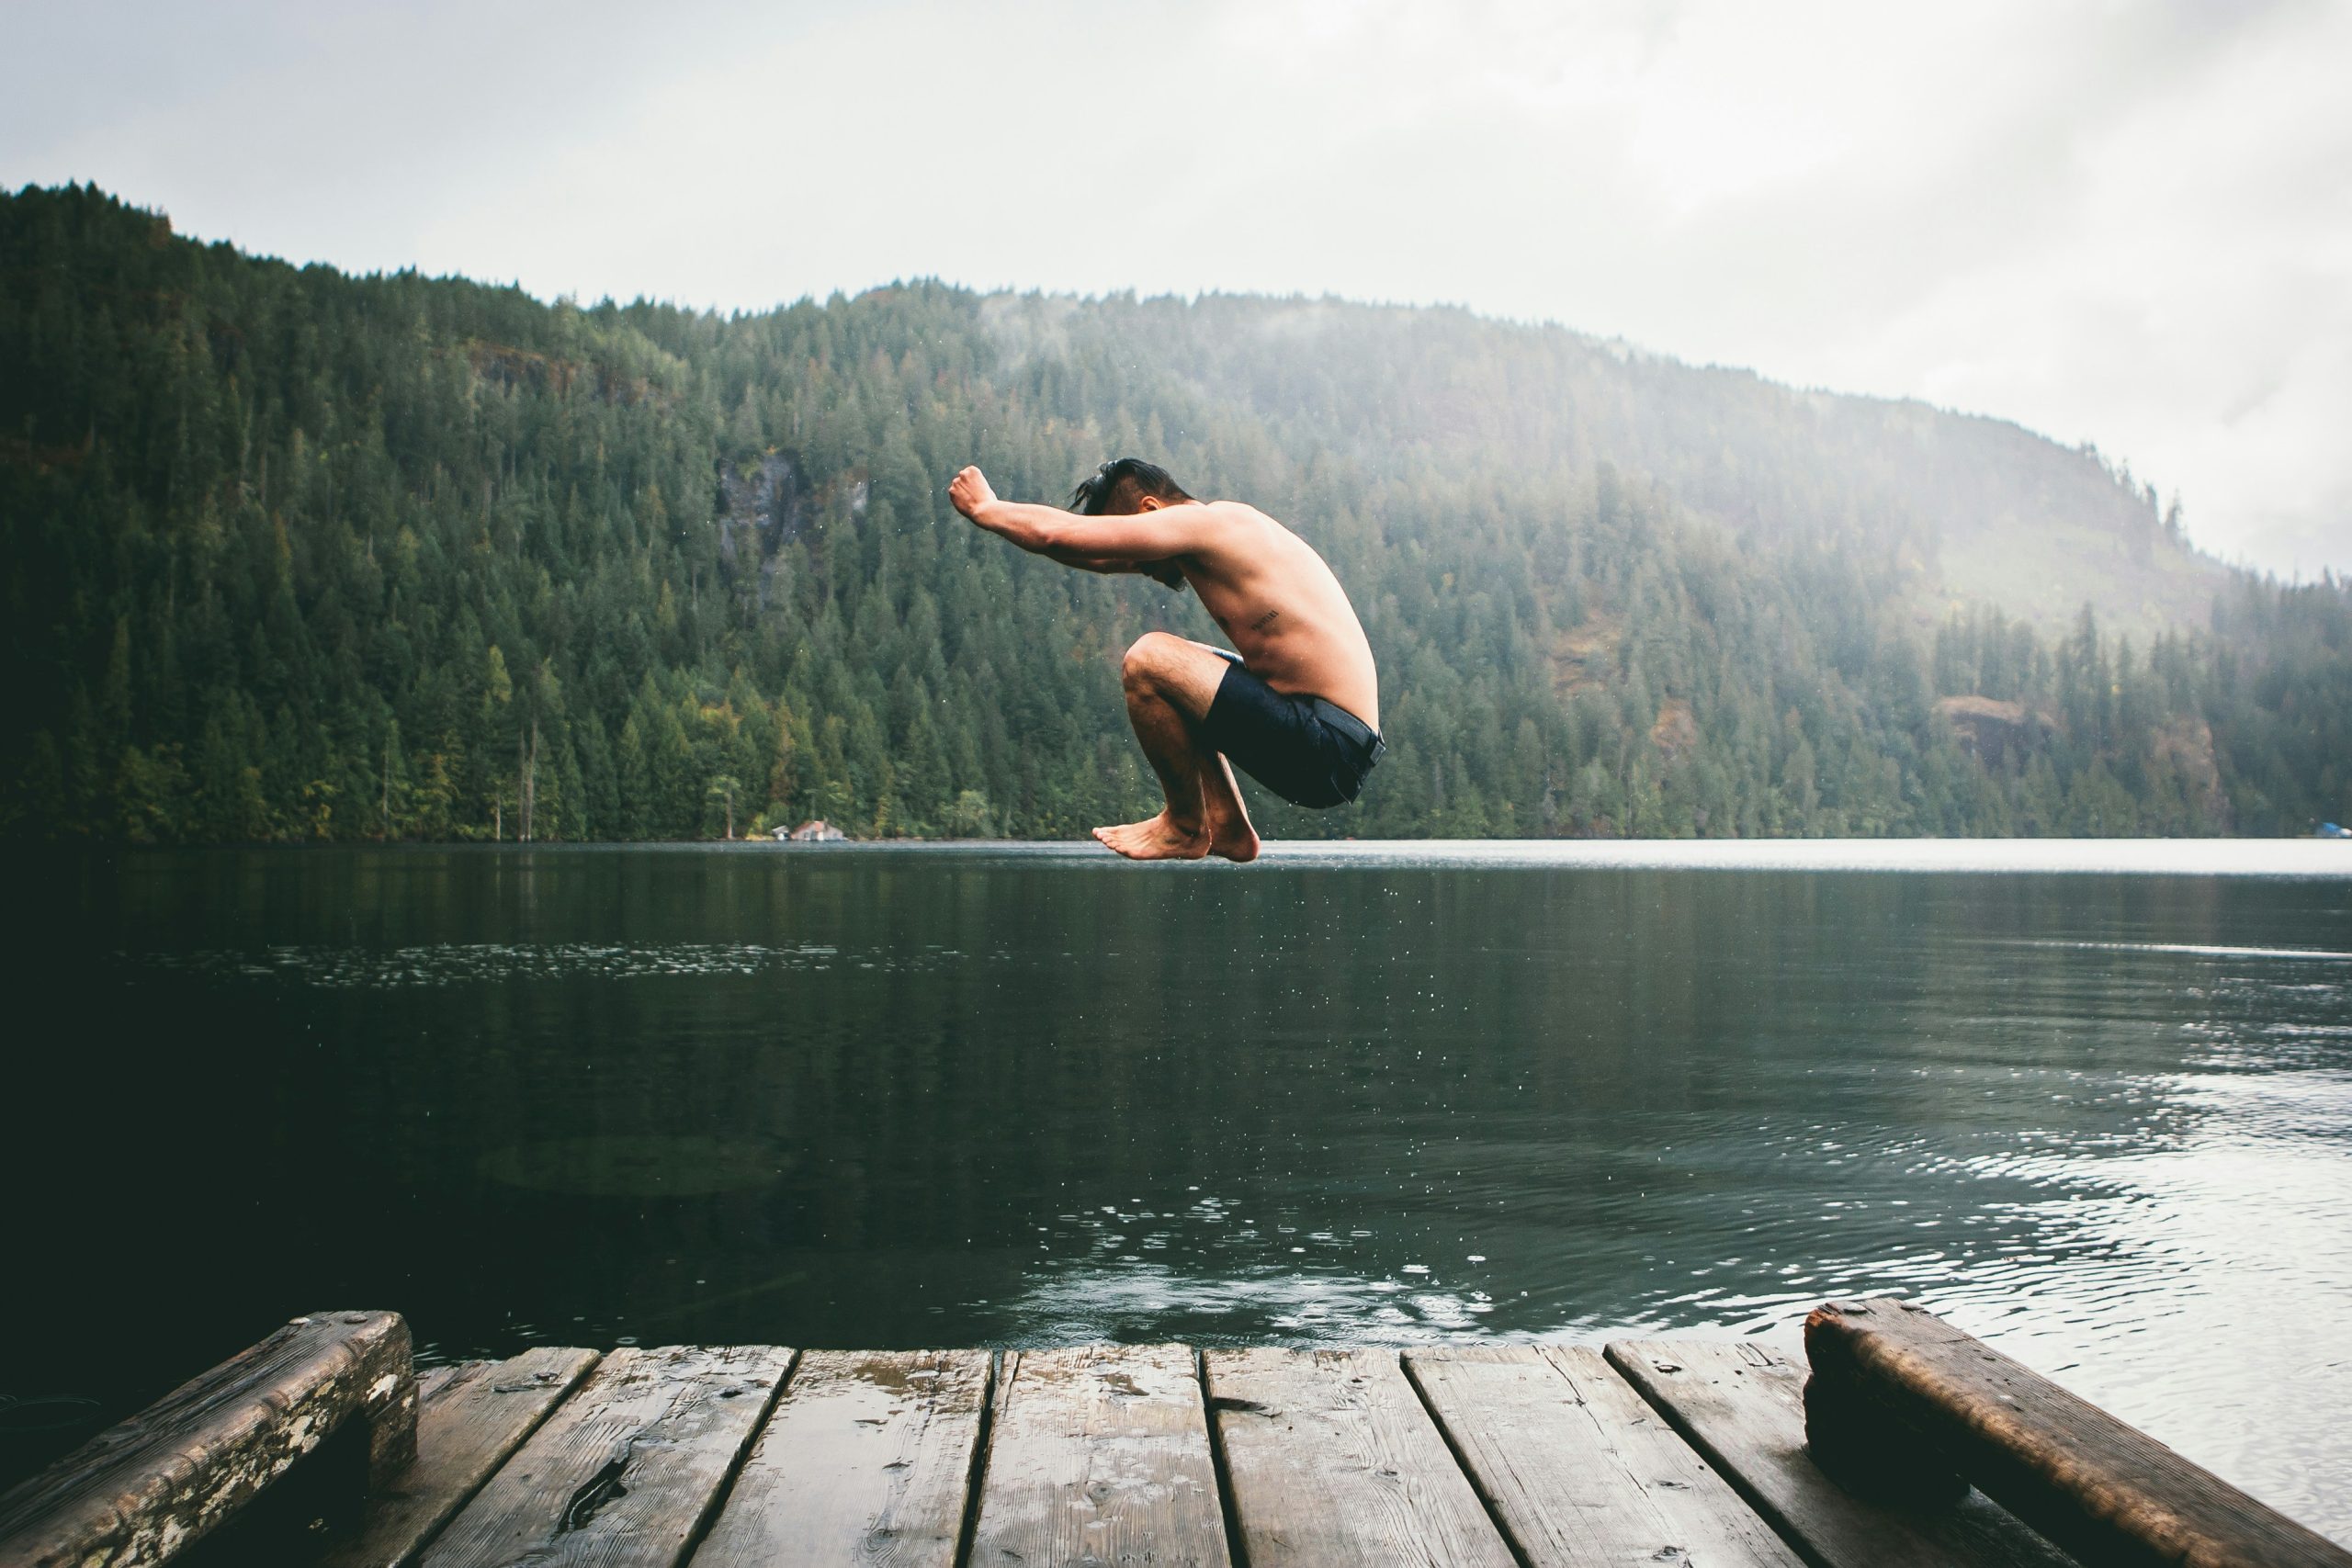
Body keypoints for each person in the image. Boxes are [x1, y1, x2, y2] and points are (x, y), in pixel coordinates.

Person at [948, 457, 1384, 861]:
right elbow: (1094, 555)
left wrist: (988, 509)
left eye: (1140, 555)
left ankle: (1185, 824)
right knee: (1184, 673)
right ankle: (1226, 823)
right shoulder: (1222, 531)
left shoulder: (1204, 524)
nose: (1145, 571)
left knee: (1149, 660)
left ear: (1150, 510)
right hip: (1333, 739)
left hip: (1329, 742)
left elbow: (1054, 533)